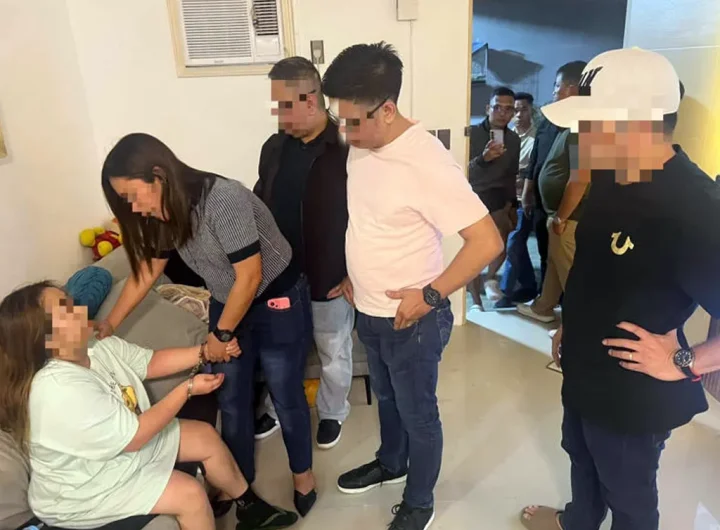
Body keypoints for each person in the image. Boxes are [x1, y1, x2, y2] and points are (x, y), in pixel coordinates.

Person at [520, 49, 720, 530]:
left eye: (590, 122)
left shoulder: (695, 208)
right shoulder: (612, 174)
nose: (578, 134)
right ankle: (578, 521)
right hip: (585, 366)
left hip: (633, 392)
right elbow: (597, 265)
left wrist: (686, 360)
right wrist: (571, 321)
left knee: (629, 494)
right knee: (581, 457)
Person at [322, 42, 503, 530]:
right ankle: (391, 463)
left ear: (387, 109)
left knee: (418, 414)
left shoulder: (426, 163)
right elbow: (369, 220)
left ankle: (419, 501)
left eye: (353, 121)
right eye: (340, 119)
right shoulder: (362, 146)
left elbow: (487, 242)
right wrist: (355, 271)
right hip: (369, 310)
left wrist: (431, 295)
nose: (345, 132)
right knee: (386, 399)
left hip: (413, 320)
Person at [96, 133, 315, 520]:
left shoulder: (222, 199)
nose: (133, 207)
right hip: (227, 297)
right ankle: (239, 483)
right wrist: (109, 324)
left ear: (158, 175)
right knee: (230, 397)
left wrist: (221, 335)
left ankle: (303, 476)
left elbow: (250, 276)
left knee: (285, 392)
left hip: (275, 298)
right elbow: (147, 272)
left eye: (132, 195)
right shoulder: (163, 212)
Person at [0, 282, 293, 530]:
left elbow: (150, 362)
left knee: (204, 436)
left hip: (118, 451)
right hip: (84, 490)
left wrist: (206, 351)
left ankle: (250, 508)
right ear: (46, 340)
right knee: (190, 495)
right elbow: (135, 436)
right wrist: (187, 389)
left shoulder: (96, 346)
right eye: (65, 310)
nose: (78, 309)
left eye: (70, 301)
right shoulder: (56, 387)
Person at [253, 56, 353, 450]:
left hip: (330, 276)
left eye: (283, 105)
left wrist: (354, 273)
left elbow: (368, 215)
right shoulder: (274, 147)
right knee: (282, 351)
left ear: (311, 100)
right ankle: (278, 408)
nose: (278, 116)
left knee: (333, 352)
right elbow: (261, 201)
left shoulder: (347, 148)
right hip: (281, 277)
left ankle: (332, 412)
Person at [516, 61, 588, 324]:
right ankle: (543, 306)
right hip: (559, 214)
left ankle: (580, 325)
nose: (554, 91)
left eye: (557, 86)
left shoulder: (585, 126)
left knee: (572, 274)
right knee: (556, 263)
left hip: (570, 217)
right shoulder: (568, 122)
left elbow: (581, 178)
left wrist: (560, 217)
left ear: (571, 88)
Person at [467, 86, 521, 304]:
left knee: (500, 244)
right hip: (473, 195)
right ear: (488, 108)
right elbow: (461, 171)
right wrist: (484, 159)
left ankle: (489, 278)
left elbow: (511, 174)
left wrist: (512, 204)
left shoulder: (514, 139)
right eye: (497, 107)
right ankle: (474, 299)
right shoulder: (471, 133)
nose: (502, 113)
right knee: (473, 249)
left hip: (499, 197)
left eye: (508, 109)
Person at [496, 92, 538, 307]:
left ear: (531, 110)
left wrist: (518, 172)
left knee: (513, 243)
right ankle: (529, 284)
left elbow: (533, 169)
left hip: (524, 199)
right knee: (516, 244)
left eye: (524, 110)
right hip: (505, 199)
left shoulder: (537, 138)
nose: (519, 114)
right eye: (516, 110)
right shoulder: (506, 135)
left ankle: (505, 292)